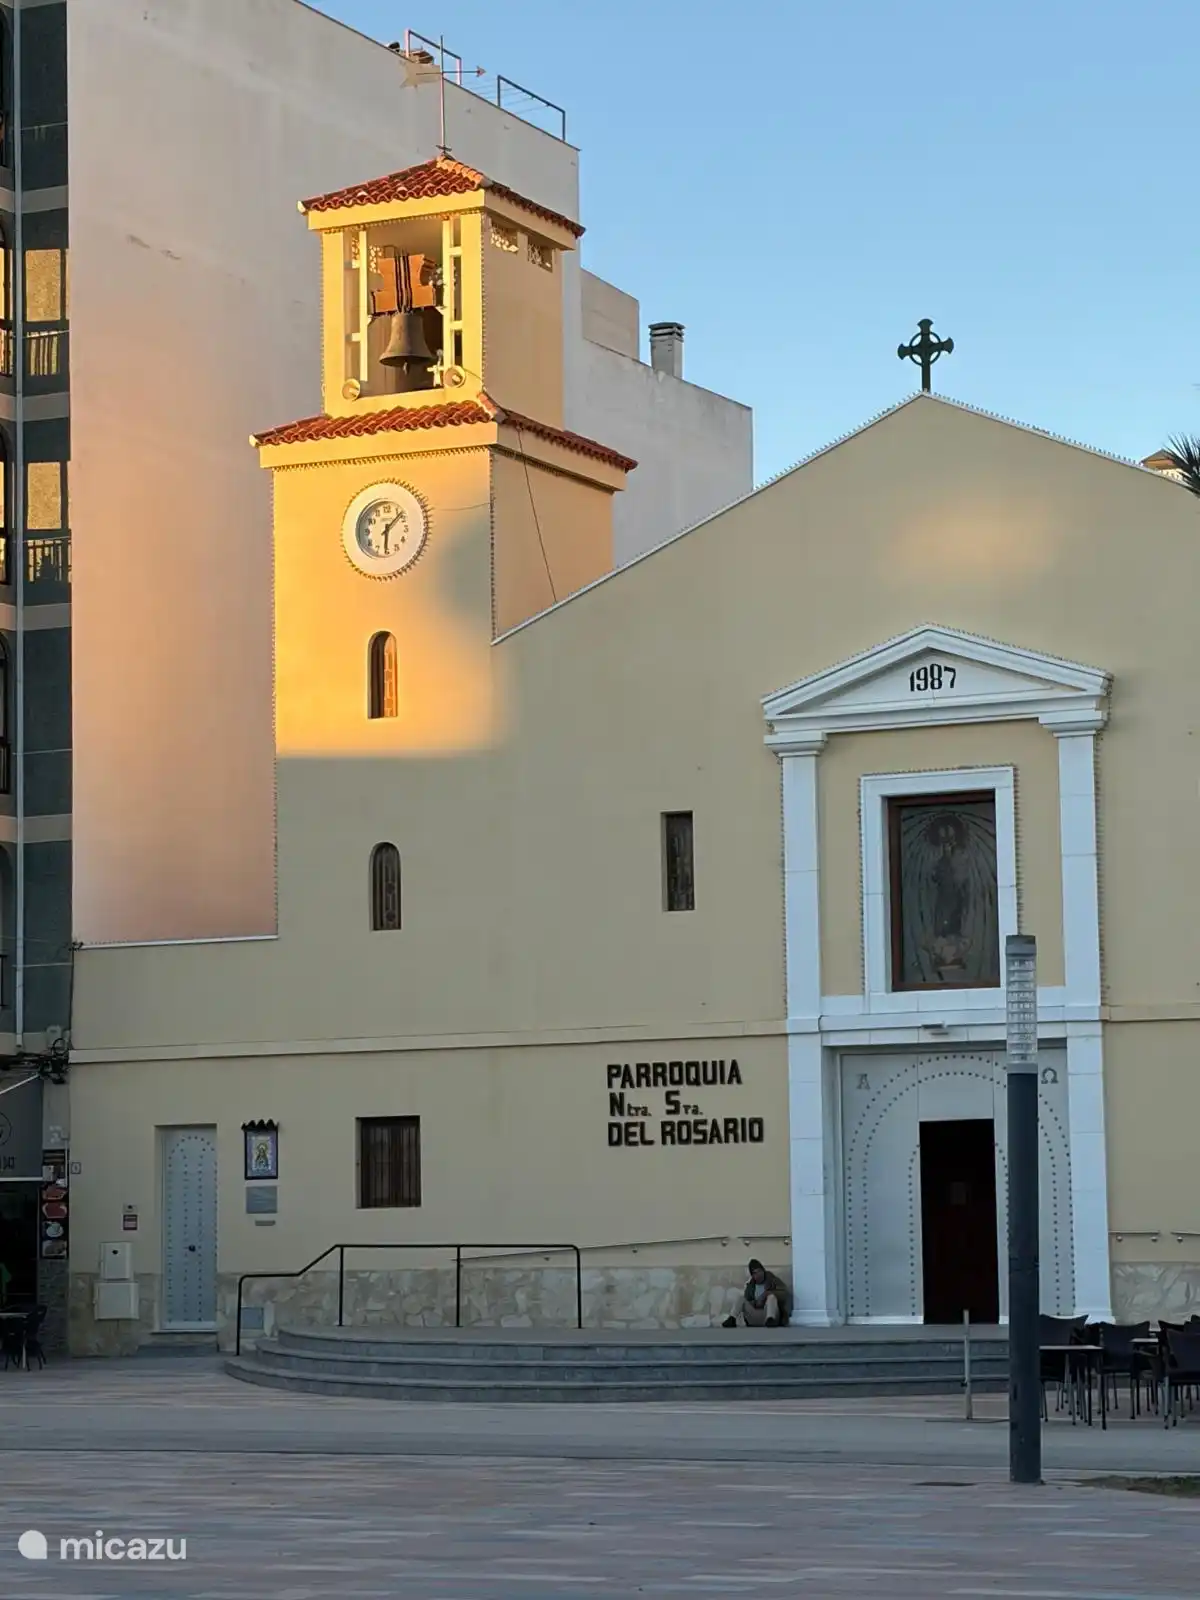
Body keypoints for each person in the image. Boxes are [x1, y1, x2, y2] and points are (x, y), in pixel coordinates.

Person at [723, 1259, 789, 1328]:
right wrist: (755, 1302)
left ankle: (770, 1319)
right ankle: (732, 1318)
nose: (758, 1274)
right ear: (752, 1275)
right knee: (741, 1297)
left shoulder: (773, 1280)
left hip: (769, 1314)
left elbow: (784, 1293)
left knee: (771, 1297)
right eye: (755, 1273)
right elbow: (747, 1298)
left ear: (763, 1271)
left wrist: (767, 1294)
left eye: (760, 1271)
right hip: (754, 1315)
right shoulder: (751, 1286)